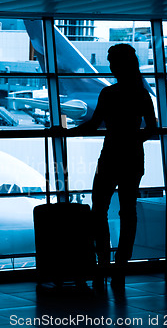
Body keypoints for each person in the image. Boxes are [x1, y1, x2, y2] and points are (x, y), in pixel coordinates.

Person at [67, 44, 157, 290]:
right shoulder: (142, 94)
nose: (110, 67)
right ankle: (121, 263)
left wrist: (66, 132)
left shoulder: (109, 94)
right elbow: (151, 129)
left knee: (99, 210)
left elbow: (93, 125)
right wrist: (133, 139)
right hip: (133, 159)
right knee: (128, 212)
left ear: (119, 65)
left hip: (109, 157)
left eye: (112, 62)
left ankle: (103, 260)